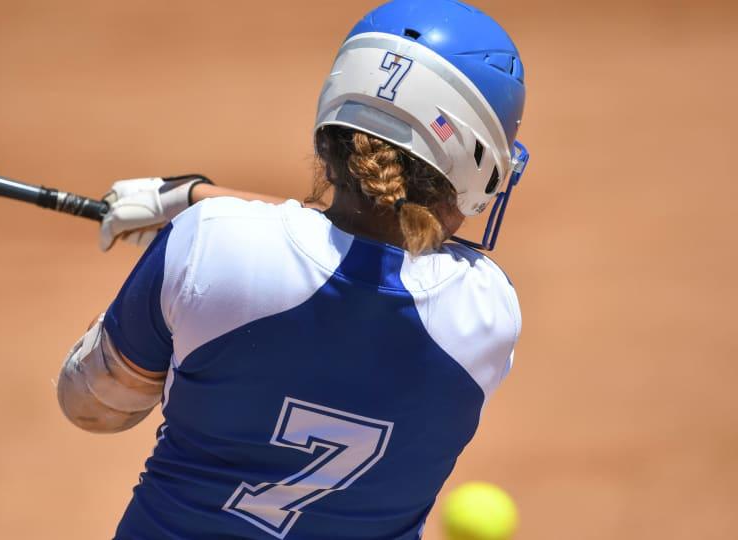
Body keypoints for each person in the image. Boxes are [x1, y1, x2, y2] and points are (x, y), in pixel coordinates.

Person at [56, 1, 530, 538]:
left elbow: (94, 406)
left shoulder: (209, 242)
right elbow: (374, 257)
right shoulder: (487, 313)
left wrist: (184, 220)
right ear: (473, 162)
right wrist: (196, 198)